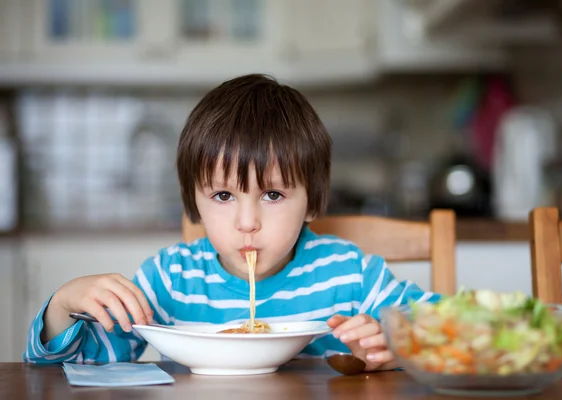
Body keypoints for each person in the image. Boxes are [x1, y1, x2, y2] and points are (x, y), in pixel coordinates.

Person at [23, 74, 440, 371]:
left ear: (312, 200)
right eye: (223, 196)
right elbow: (72, 366)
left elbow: (444, 328)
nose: (247, 222)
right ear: (194, 204)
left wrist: (395, 348)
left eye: (273, 195)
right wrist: (63, 305)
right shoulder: (169, 280)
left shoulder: (349, 275)